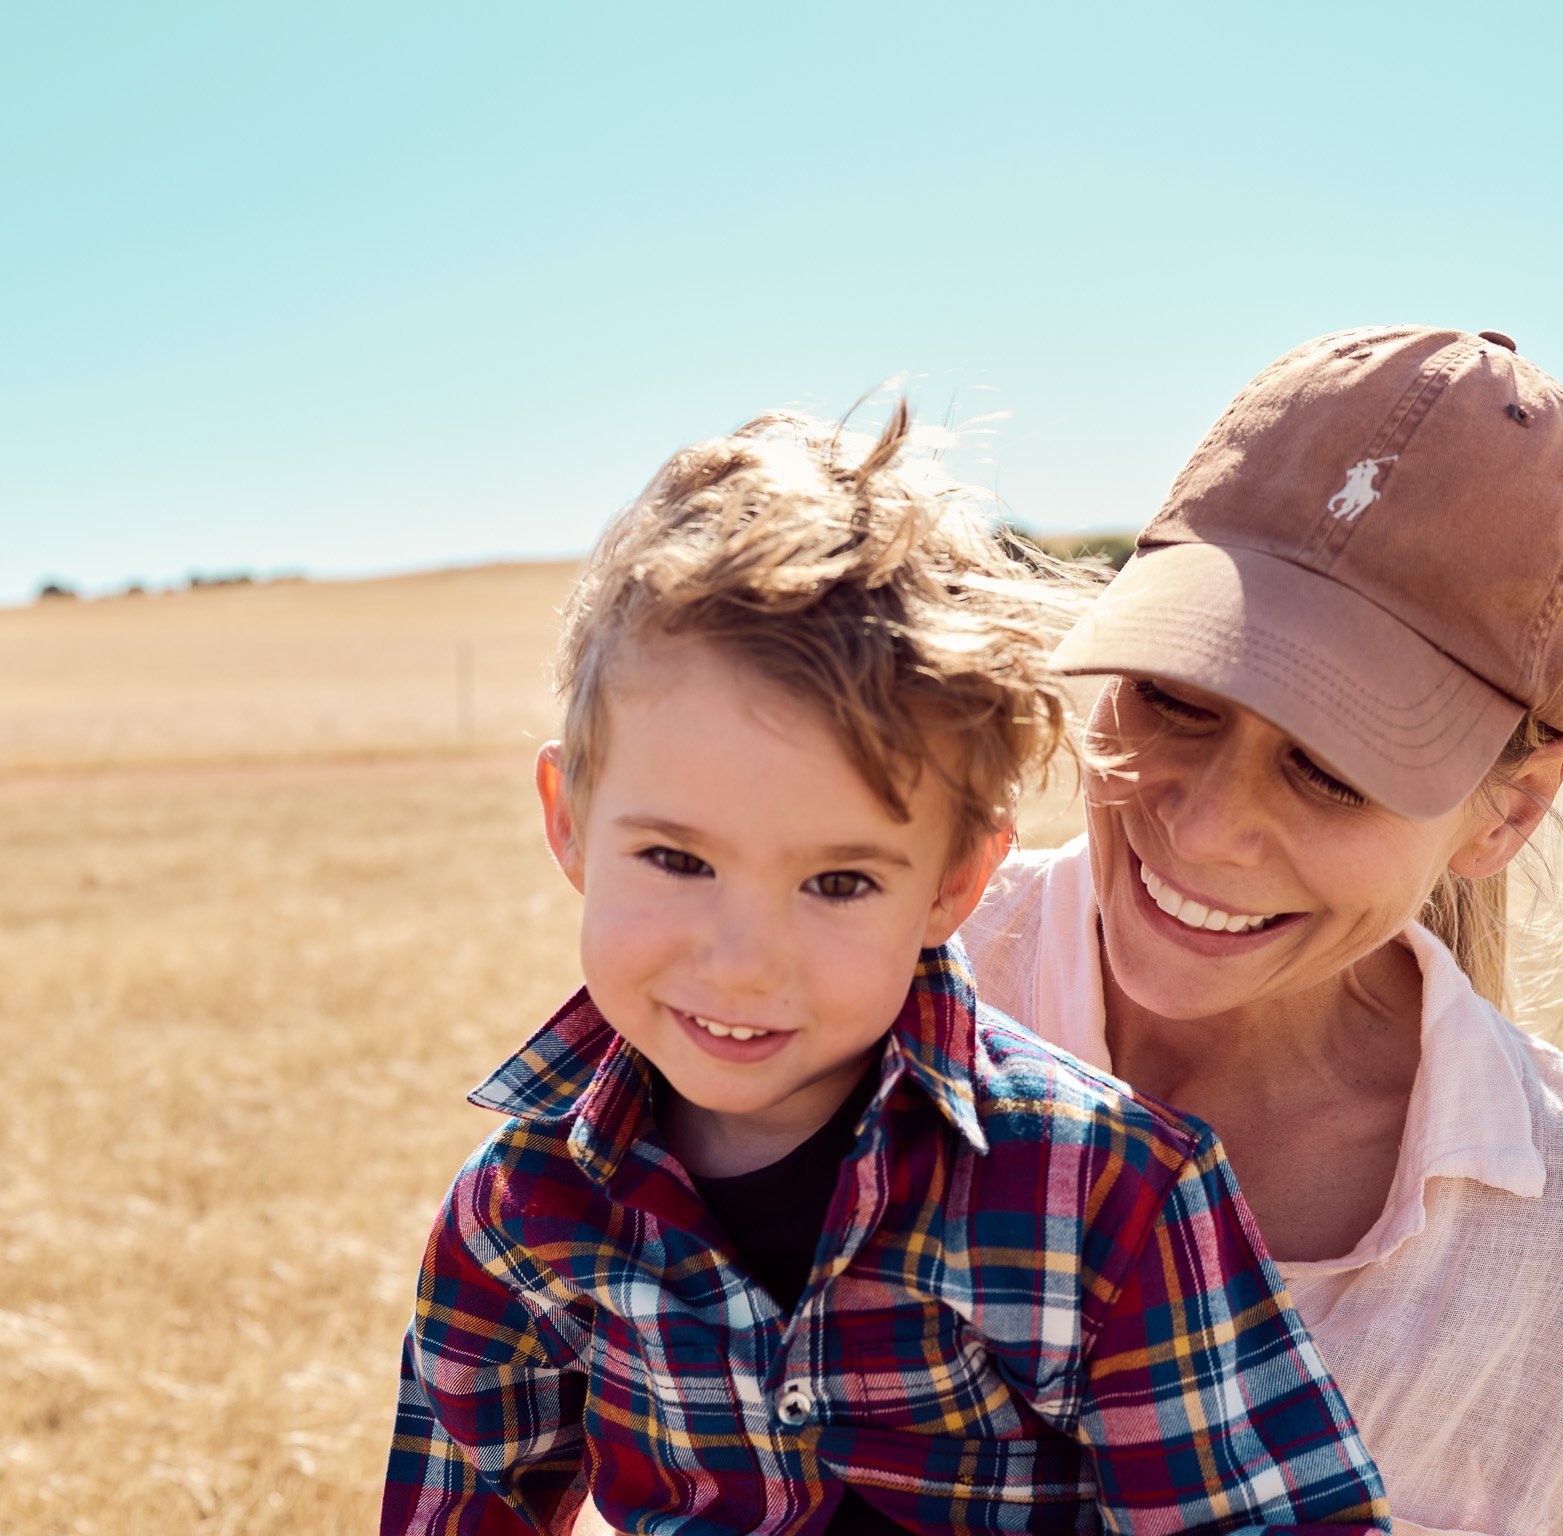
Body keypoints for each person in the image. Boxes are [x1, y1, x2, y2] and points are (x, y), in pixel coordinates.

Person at [382, 407, 1394, 1535]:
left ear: (954, 882)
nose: (741, 960)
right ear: (567, 820)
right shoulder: (519, 1213)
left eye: (838, 883)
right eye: (677, 859)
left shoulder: (1105, 1200)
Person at [958, 326, 1563, 1535]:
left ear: (1510, 810)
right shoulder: (875, 986)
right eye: (1172, 696)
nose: (1211, 825)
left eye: (1330, 771)